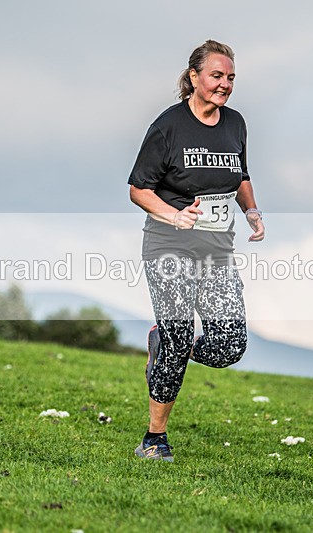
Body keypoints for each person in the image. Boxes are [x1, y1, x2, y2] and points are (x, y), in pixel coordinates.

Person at [128, 40, 264, 462]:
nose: (225, 85)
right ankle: (155, 439)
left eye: (230, 78)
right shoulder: (168, 127)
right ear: (194, 78)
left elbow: (239, 174)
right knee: (180, 334)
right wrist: (173, 215)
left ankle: (164, 342)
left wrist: (252, 210)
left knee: (229, 345)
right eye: (217, 76)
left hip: (216, 252)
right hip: (169, 246)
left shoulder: (235, 123)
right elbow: (138, 189)